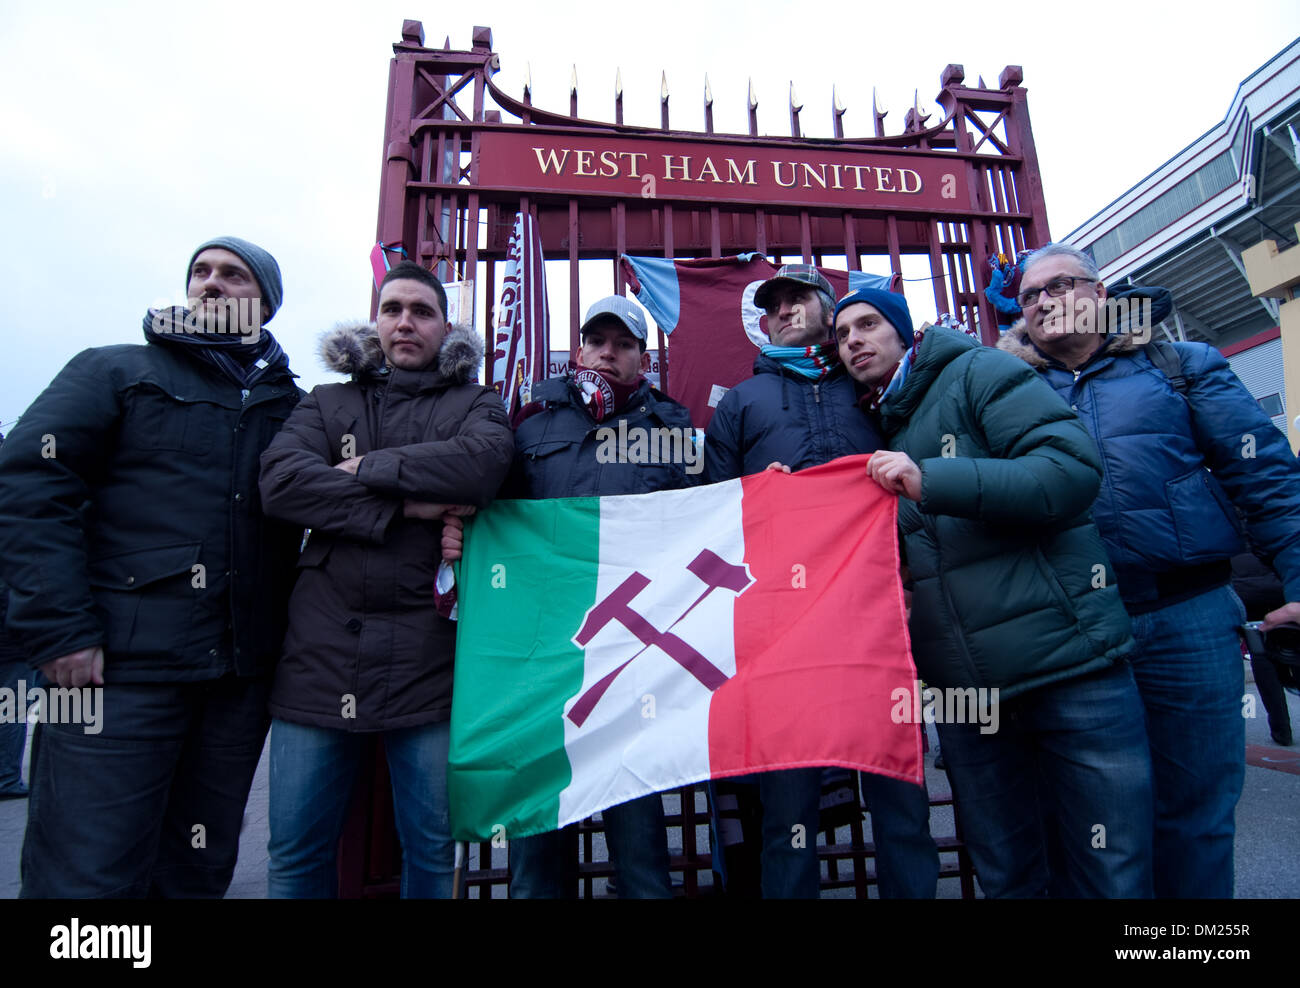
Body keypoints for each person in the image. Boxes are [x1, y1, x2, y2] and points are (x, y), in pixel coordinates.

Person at [0, 236, 301, 896]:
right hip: (117, 673)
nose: (212, 283)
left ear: (267, 304)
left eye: (234, 275)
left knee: (194, 869)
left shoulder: (290, 407)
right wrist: (60, 631)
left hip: (237, 680)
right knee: (86, 873)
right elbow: (27, 484)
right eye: (202, 271)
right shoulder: (114, 370)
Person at [998, 242, 1300, 898]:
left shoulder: (1182, 365)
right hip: (1073, 632)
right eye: (1030, 295)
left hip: (1187, 616)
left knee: (1195, 814)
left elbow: (1268, 478)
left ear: (1100, 293)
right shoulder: (1004, 390)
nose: (1045, 301)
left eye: (1061, 285)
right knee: (1098, 826)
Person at [839, 286, 1154, 898]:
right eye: (843, 333)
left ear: (905, 333)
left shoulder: (978, 370)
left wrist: (934, 478)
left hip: (1071, 671)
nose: (854, 340)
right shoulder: (879, 424)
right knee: (1007, 876)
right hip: (970, 697)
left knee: (1112, 873)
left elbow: (1068, 473)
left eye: (869, 324)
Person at [257, 259, 514, 898]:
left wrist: (362, 467)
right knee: (294, 852)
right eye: (393, 309)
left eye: (422, 311)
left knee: (430, 851)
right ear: (375, 322)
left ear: (444, 326)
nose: (406, 322)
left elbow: (482, 465)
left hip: (428, 659)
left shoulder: (475, 402)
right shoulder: (325, 401)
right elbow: (282, 483)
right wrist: (409, 505)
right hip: (319, 659)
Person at [445, 295, 698, 898]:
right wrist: (458, 528)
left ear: (642, 358)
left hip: (634, 660)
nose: (609, 353)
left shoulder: (675, 429)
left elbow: (710, 516)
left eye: (624, 344)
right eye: (597, 341)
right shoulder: (531, 423)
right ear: (579, 348)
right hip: (544, 662)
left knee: (642, 856)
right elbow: (494, 515)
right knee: (537, 851)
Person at [703, 264, 939, 899]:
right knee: (788, 812)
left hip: (880, 616)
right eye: (772, 305)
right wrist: (758, 497)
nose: (783, 311)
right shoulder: (739, 404)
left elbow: (922, 478)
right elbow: (712, 515)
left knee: (901, 796)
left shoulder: (878, 387)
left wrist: (913, 574)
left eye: (797, 299)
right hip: (783, 629)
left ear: (826, 309)